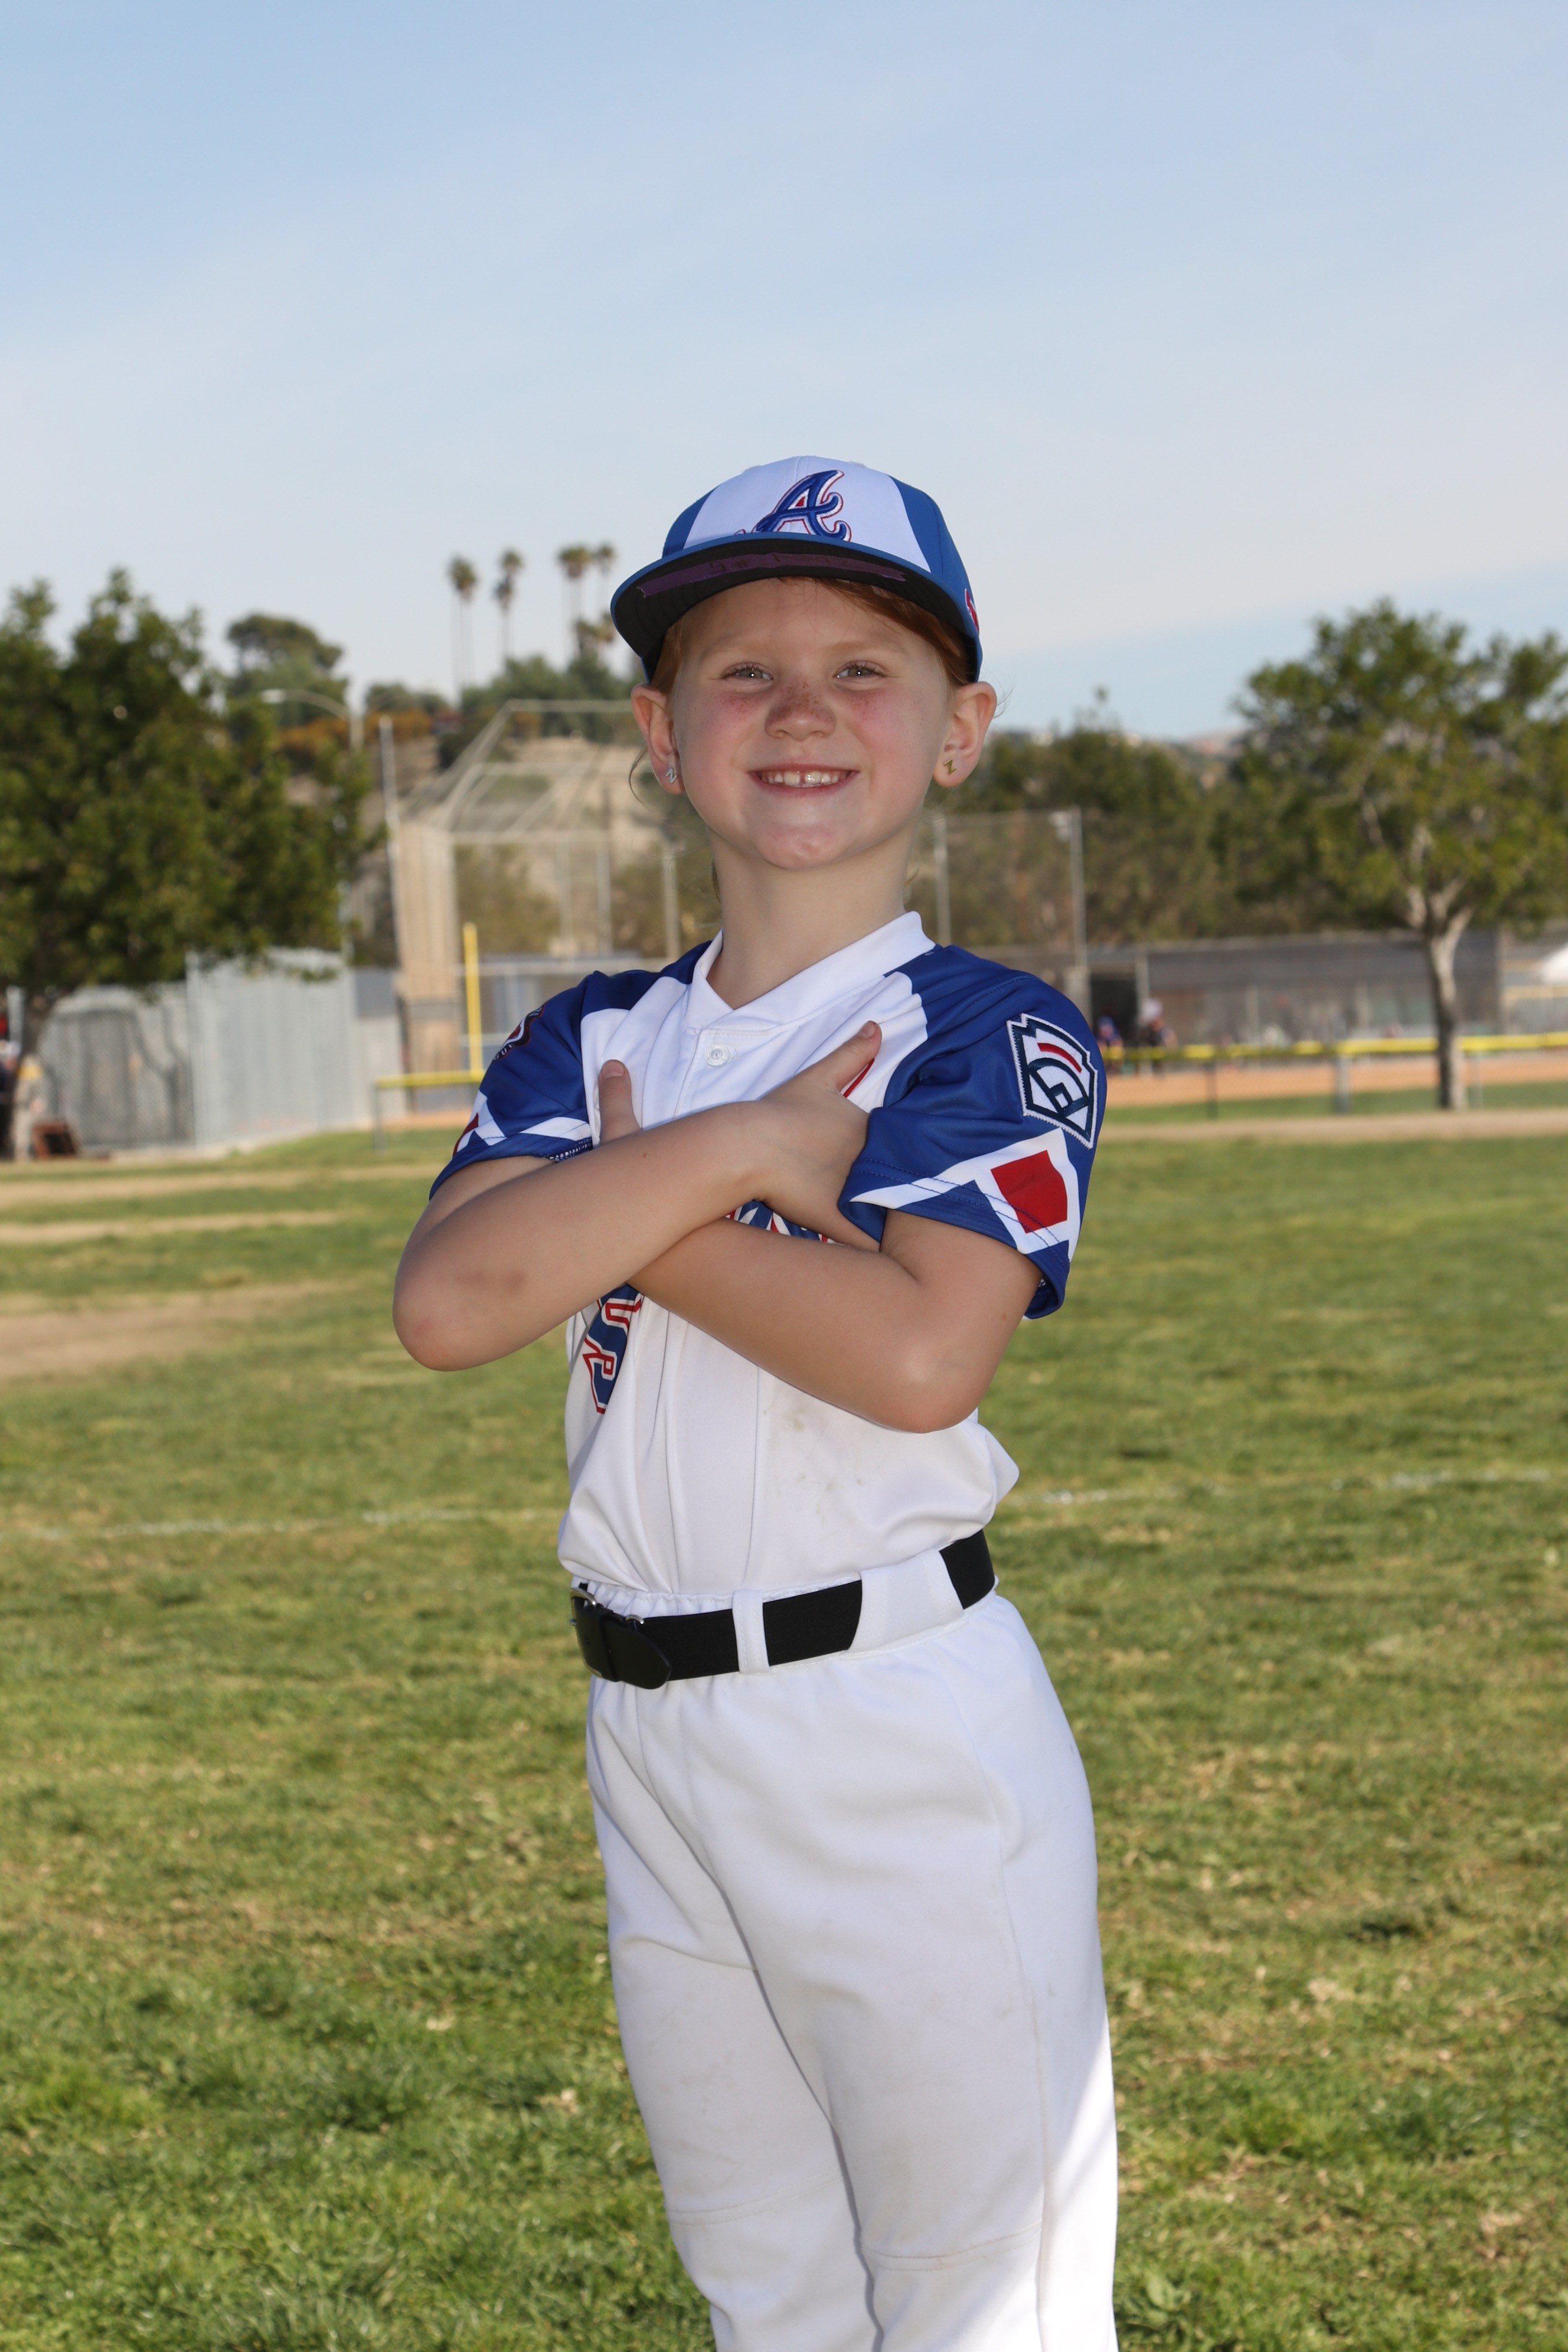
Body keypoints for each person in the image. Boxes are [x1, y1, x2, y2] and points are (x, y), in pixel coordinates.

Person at [394, 458, 1117, 2352]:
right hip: (650, 1729)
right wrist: (743, 1150)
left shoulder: (986, 1026)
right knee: (770, 2298)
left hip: (892, 1724)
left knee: (984, 2310)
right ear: (660, 734)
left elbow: (916, 1356)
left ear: (959, 731)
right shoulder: (593, 1034)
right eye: (743, 672)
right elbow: (453, 1303)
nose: (802, 710)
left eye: (865, 670)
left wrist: (631, 1197)